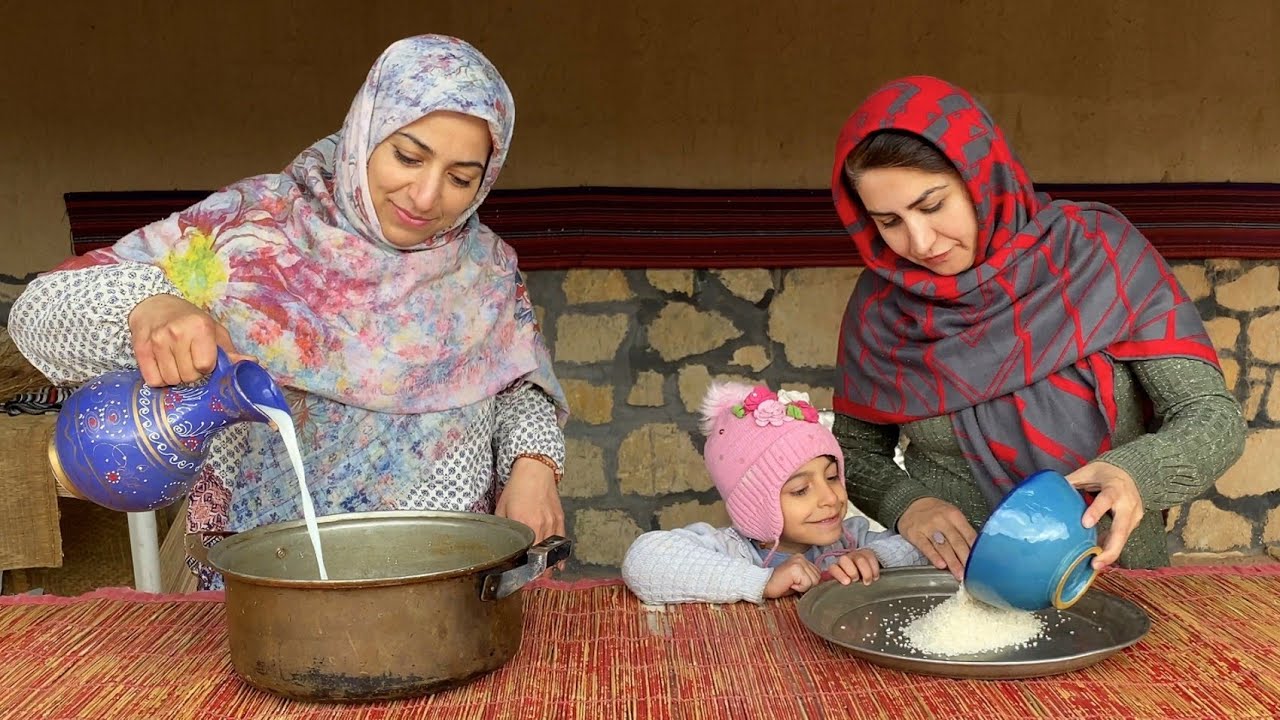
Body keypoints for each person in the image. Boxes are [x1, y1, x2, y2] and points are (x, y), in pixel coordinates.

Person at [8, 35, 569, 589]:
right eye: (407, 156)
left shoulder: (486, 266)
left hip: (446, 571)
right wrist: (148, 303)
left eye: (460, 178)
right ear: (365, 131)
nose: (425, 197)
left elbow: (517, 386)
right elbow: (40, 313)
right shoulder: (247, 230)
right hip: (263, 579)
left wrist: (534, 466)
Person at [828, 76, 1245, 578]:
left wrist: (1135, 472)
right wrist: (907, 504)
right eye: (888, 222)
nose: (919, 242)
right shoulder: (882, 306)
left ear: (983, 181)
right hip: (946, 584)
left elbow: (1211, 416)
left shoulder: (1096, 254)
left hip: (1114, 573)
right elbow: (855, 449)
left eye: (932, 205)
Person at [621, 382, 926, 605]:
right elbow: (643, 561)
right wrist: (763, 581)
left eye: (832, 477)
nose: (831, 498)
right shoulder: (729, 551)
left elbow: (926, 547)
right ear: (755, 504)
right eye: (800, 490)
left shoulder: (848, 541)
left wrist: (877, 557)